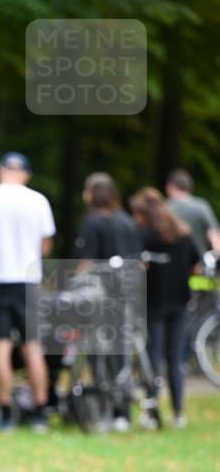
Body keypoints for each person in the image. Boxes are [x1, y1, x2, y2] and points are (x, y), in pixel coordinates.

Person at [0, 152, 55, 433]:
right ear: (26, 174)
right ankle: (40, 410)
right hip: (28, 280)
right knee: (33, 344)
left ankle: (3, 412)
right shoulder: (38, 200)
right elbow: (45, 246)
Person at [75, 172, 142, 431]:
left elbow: (86, 263)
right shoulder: (126, 220)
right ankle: (122, 411)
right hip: (128, 294)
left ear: (92, 194)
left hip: (101, 295)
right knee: (122, 351)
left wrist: (73, 286)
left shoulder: (93, 222)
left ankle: (104, 405)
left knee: (98, 352)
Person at [129, 187, 200, 427]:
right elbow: (196, 265)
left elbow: (137, 267)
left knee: (153, 358)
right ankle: (178, 412)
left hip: (155, 303)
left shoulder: (145, 236)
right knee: (174, 359)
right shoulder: (183, 234)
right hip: (180, 302)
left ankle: (152, 410)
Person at [165, 169, 218, 259]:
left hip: (172, 264)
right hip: (198, 266)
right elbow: (214, 235)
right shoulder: (201, 206)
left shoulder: (165, 207)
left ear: (170, 187)